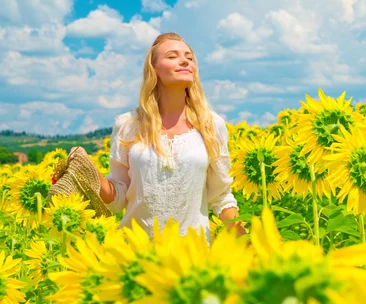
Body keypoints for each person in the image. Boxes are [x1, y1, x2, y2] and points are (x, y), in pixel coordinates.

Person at [70, 32, 246, 244]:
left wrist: (249, 245)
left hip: (192, 257)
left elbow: (221, 196)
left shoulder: (211, 125)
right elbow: (117, 199)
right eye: (172, 56)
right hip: (135, 255)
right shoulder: (128, 124)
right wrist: (91, 175)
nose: (184, 61)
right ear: (153, 69)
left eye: (189, 58)